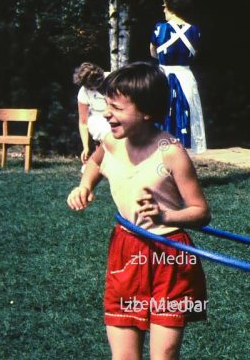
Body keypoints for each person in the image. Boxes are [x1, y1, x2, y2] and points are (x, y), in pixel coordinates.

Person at [67, 62, 211, 359]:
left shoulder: (170, 152)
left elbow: (200, 211)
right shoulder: (110, 143)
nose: (107, 114)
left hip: (169, 254)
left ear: (146, 111)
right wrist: (84, 186)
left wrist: (165, 216)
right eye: (107, 105)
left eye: (117, 108)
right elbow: (94, 163)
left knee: (164, 354)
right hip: (126, 250)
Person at [150, 0, 207, 154]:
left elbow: (153, 53)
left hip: (163, 76)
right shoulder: (195, 31)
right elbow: (194, 53)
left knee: (162, 114)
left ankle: (162, 156)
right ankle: (183, 155)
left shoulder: (159, 29)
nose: (163, 9)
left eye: (164, 6)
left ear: (170, 7)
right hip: (185, 77)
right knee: (186, 116)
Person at [72, 62, 111, 165]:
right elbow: (83, 123)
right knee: (104, 130)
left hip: (117, 114)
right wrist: (86, 147)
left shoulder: (113, 78)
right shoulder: (83, 92)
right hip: (98, 119)